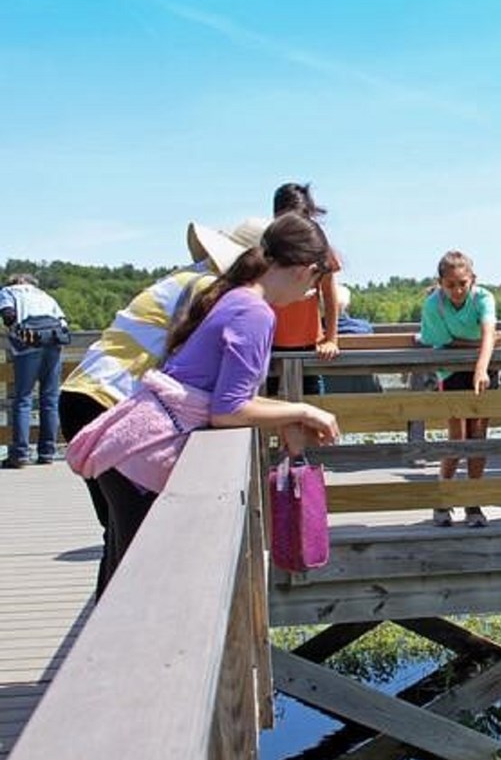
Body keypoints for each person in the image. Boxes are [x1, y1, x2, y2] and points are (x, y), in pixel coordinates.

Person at [66, 214, 340, 595]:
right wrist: (305, 410)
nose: (311, 294)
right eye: (316, 283)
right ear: (307, 271)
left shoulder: (239, 297)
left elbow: (225, 393)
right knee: (136, 589)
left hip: (133, 448)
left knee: (122, 578)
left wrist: (281, 416)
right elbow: (228, 410)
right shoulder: (256, 313)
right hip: (146, 456)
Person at [415, 251, 499, 528]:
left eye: (463, 283)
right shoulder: (434, 305)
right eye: (450, 285)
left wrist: (481, 366)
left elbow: (488, 332)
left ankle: (473, 502)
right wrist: (485, 345)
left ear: (472, 280)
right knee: (457, 437)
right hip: (450, 371)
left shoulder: (483, 298)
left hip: (482, 368)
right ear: (440, 283)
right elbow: (445, 343)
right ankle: (443, 498)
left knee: (478, 437)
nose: (457, 290)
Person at [267, 182, 339, 397]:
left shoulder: (318, 245)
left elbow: (329, 293)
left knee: (313, 403)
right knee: (269, 403)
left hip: (309, 344)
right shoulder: (268, 246)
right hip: (271, 342)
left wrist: (331, 339)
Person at [1, 275, 69, 469]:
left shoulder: (8, 292)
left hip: (28, 345)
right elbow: (63, 322)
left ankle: (20, 454)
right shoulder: (45, 295)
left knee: (23, 399)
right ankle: (47, 452)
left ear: (15, 282)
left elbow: (8, 315)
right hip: (54, 344)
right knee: (50, 399)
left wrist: (15, 332)